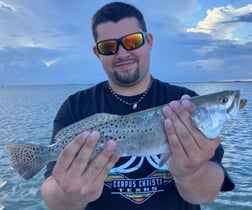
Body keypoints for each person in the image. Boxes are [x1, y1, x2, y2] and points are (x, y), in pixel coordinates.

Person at [41, 2, 234, 210]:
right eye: (108, 47)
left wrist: (191, 173)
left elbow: (206, 195)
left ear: (149, 41)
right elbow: (52, 196)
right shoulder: (75, 106)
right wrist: (70, 196)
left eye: (132, 41)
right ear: (98, 53)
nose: (122, 53)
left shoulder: (185, 103)